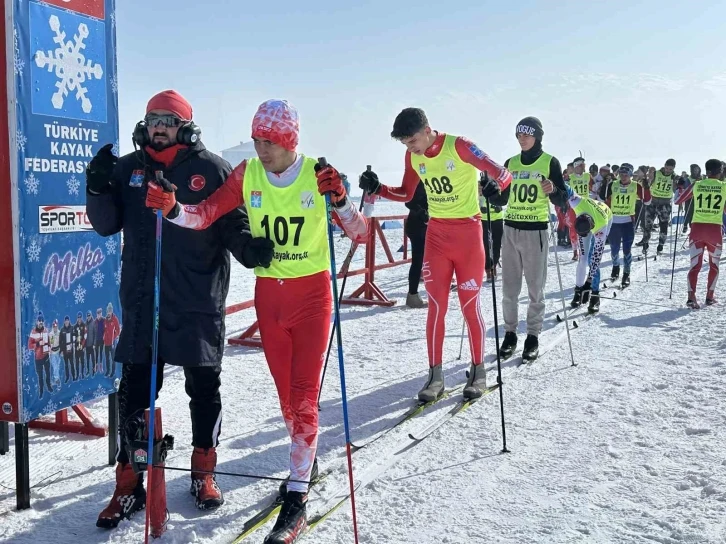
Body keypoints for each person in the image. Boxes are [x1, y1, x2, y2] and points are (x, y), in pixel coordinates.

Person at [146, 99, 368, 544]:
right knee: (288, 400)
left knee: (304, 400)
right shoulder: (247, 174)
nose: (262, 149)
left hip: (311, 299)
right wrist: (172, 208)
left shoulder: (318, 174)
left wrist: (341, 200)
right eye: (257, 140)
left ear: (289, 140)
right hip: (270, 299)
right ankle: (305, 461)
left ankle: (298, 495)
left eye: (270, 141)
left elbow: (359, 232)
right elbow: (204, 214)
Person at [86, 89, 248, 527]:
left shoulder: (211, 168)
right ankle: (128, 483)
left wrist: (250, 247)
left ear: (184, 125)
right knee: (135, 394)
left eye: (168, 119)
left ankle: (203, 470)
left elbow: (234, 222)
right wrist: (97, 188)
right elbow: (105, 226)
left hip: (195, 298)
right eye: (153, 117)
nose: (158, 125)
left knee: (204, 388)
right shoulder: (128, 168)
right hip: (142, 300)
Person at [357, 107, 512, 402]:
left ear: (427, 130)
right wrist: (378, 188)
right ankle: (435, 376)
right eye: (404, 144)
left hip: (468, 235)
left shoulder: (460, 145)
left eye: (413, 140)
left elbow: (503, 174)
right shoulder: (413, 156)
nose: (410, 147)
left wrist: (495, 186)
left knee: (469, 307)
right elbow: (405, 193)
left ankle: (479, 371)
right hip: (437, 237)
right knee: (436, 308)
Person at [486, 117, 567, 362]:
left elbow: (562, 199)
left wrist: (553, 190)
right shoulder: (510, 163)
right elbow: (503, 199)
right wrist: (491, 194)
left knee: (535, 289)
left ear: (537, 136)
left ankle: (532, 335)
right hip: (511, 229)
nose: (522, 138)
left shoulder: (550, 161)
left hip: (536, 231)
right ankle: (510, 333)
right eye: (519, 134)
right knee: (509, 288)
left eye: (527, 134)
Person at [674, 159, 726, 308]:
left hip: (697, 229)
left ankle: (691, 298)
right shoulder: (724, 187)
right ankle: (709, 297)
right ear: (720, 171)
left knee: (694, 265)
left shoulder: (697, 184)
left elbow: (678, 201)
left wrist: (680, 188)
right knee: (714, 265)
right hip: (714, 231)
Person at [602, 165, 651, 287]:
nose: (623, 177)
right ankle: (615, 268)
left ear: (630, 175)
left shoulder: (636, 186)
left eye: (626, 175)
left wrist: (646, 187)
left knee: (627, 249)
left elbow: (647, 201)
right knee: (614, 248)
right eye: (621, 174)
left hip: (628, 221)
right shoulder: (613, 184)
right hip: (614, 222)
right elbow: (605, 200)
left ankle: (626, 273)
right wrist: (605, 184)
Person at [566, 187, 613, 313]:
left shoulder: (600, 227)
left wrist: (589, 281)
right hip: (587, 215)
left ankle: (595, 294)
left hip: (606, 215)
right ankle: (578, 291)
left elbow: (597, 257)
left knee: (593, 260)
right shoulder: (577, 203)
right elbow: (567, 188)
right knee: (583, 259)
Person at [638, 159, 676, 254]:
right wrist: (646, 183)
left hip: (665, 204)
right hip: (653, 202)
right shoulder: (656, 173)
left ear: (673, 169)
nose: (668, 171)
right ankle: (645, 243)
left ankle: (661, 245)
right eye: (667, 168)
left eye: (670, 169)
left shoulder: (674, 177)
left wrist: (680, 184)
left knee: (663, 226)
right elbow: (649, 182)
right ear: (664, 165)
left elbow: (676, 189)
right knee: (648, 225)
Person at [404, 180, 429, 307]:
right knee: (418, 261)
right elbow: (408, 200)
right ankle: (412, 295)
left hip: (426, 226)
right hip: (417, 226)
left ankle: (435, 291)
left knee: (431, 259)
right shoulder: (419, 180)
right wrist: (422, 213)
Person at [479, 176, 504, 282]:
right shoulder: (479, 185)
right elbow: (476, 198)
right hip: (484, 219)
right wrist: (480, 206)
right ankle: (488, 269)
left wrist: (499, 205)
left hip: (497, 218)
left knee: (496, 244)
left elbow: (503, 199)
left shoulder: (498, 185)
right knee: (485, 244)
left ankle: (493, 266)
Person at [28, 312, 52, 398]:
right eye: (39, 320)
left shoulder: (46, 330)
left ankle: (49, 386)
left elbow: (49, 342)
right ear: (37, 321)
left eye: (42, 320)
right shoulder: (33, 332)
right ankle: (41, 390)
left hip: (46, 356)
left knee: (48, 373)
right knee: (40, 376)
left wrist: (49, 347)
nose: (41, 322)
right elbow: (29, 345)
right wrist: (37, 344)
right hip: (38, 358)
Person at [102, 303, 120, 377]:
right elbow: (104, 329)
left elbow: (118, 330)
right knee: (107, 358)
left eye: (110, 310)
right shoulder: (105, 319)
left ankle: (112, 372)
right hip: (106, 343)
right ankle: (108, 370)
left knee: (113, 358)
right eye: (108, 310)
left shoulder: (115, 319)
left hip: (112, 343)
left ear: (112, 311)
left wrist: (114, 337)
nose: (109, 312)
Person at [73, 312, 86, 380]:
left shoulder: (84, 325)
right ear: (77, 318)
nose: (79, 319)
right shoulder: (74, 327)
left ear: (82, 318)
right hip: (77, 348)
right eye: (78, 317)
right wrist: (76, 346)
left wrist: (82, 346)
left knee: (82, 361)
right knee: (77, 362)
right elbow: (73, 337)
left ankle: (83, 373)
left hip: (82, 347)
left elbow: (85, 337)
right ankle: (77, 374)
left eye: (80, 317)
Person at [60, 315, 74, 382]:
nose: (66, 322)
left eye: (67, 320)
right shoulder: (62, 330)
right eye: (65, 320)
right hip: (65, 351)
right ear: (64, 321)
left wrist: (72, 343)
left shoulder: (72, 328)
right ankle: (67, 377)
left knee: (71, 363)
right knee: (66, 365)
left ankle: (73, 376)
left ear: (69, 321)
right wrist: (61, 351)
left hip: (71, 350)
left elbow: (75, 337)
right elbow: (60, 341)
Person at [49, 319, 62, 390]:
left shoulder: (60, 333)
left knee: (58, 366)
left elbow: (61, 342)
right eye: (54, 326)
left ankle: (55, 379)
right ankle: (57, 380)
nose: (55, 328)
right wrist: (50, 351)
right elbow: (51, 343)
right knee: (55, 366)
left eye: (56, 326)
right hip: (53, 353)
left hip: (58, 351)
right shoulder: (51, 334)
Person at [85, 310, 97, 377]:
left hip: (92, 345)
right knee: (87, 359)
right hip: (87, 345)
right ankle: (87, 371)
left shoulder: (93, 323)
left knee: (93, 359)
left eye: (89, 315)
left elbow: (95, 334)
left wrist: (94, 344)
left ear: (91, 315)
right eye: (87, 315)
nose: (88, 317)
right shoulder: (85, 323)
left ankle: (93, 370)